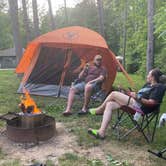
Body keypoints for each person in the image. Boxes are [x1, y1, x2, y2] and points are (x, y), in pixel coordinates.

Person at [88, 68, 166, 139]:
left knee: (114, 94)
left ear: (153, 77)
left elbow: (151, 103)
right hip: (134, 102)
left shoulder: (158, 87)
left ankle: (100, 110)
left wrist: (137, 97)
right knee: (110, 104)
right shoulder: (148, 85)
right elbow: (139, 95)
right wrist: (125, 92)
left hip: (140, 108)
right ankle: (101, 132)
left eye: (149, 74)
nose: (147, 76)